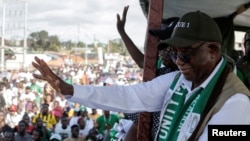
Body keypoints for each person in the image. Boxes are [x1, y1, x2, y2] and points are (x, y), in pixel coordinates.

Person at [32, 11, 250, 141]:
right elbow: (130, 96)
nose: (179, 61)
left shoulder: (236, 103)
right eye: (174, 53)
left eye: (186, 52)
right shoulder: (179, 81)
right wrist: (69, 89)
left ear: (213, 50)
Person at [117, 5, 179, 140]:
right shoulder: (159, 66)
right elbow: (141, 61)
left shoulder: (186, 76)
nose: (161, 49)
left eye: (167, 44)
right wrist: (122, 32)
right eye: (160, 43)